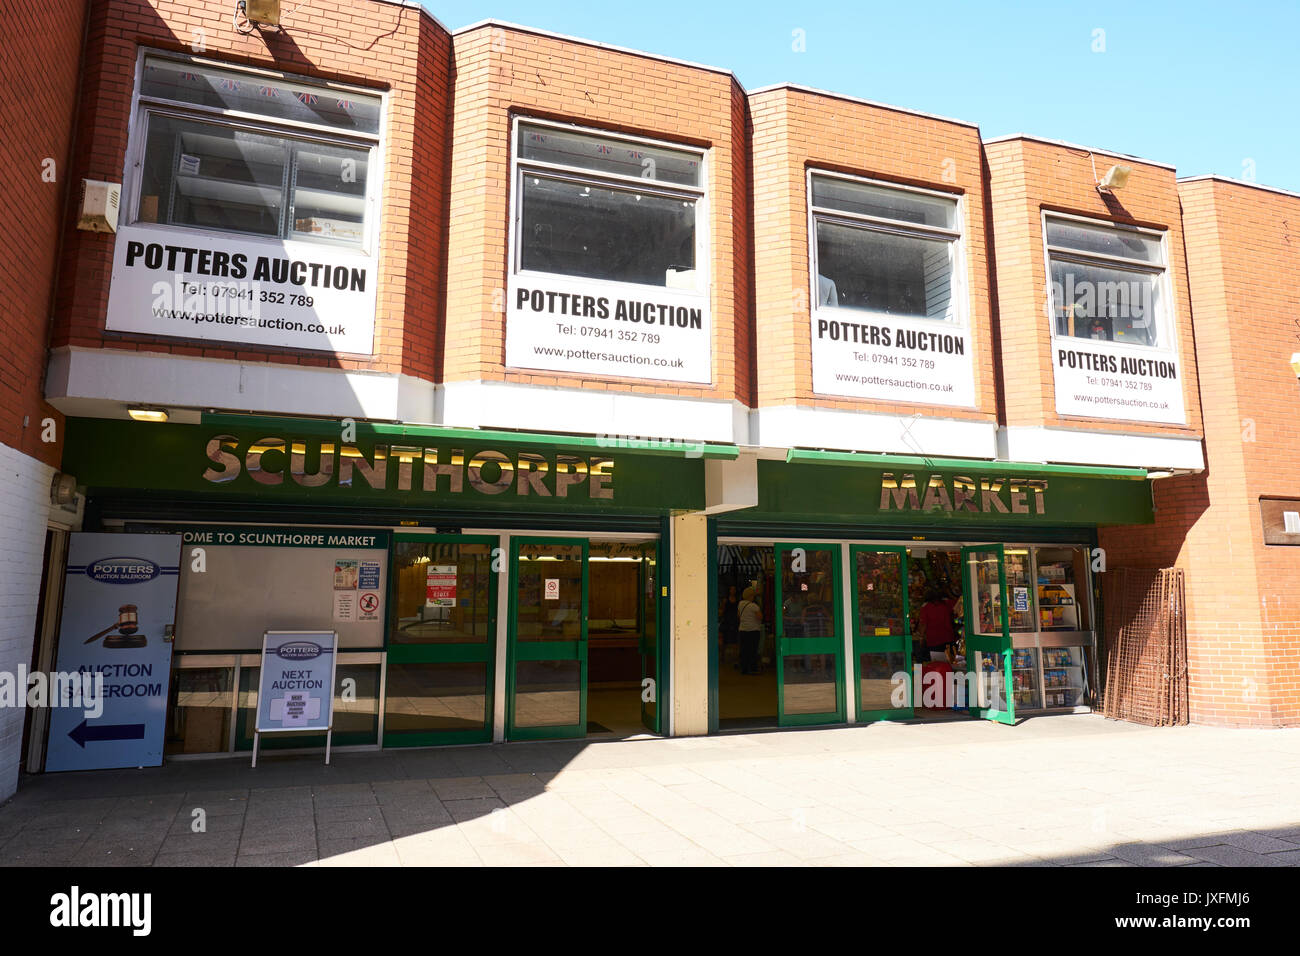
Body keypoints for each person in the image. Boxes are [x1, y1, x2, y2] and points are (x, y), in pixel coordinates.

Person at [917, 587, 960, 666]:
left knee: (937, 665)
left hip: (934, 641)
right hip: (948, 638)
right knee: (950, 664)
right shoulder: (947, 604)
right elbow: (959, 602)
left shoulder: (925, 608)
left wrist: (921, 637)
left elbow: (923, 625)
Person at [737, 587, 763, 675]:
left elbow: (738, 615)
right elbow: (760, 617)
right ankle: (753, 668)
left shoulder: (740, 604)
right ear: (751, 596)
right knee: (753, 650)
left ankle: (744, 668)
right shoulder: (754, 606)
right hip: (753, 630)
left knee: (744, 650)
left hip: (742, 630)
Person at [719, 585, 739, 667]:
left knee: (735, 640)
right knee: (724, 640)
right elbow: (722, 610)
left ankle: (735, 658)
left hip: (735, 621)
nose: (733, 590)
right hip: (727, 621)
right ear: (729, 590)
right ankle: (722, 657)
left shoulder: (738, 600)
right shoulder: (725, 600)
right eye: (731, 589)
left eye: (734, 589)